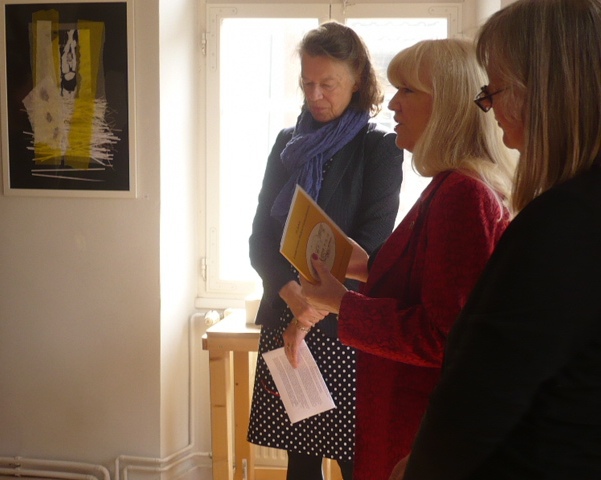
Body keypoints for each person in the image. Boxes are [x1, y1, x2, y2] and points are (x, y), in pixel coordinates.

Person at [395, 1, 601, 479]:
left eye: (495, 89)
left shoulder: (562, 221)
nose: (488, 104)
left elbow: (483, 393)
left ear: (542, 92)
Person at [300, 38, 516, 480]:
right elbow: (435, 288)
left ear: (448, 105)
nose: (393, 103)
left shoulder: (463, 193)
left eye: (407, 90)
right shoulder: (452, 184)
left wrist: (342, 303)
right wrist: (367, 266)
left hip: (416, 429)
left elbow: (443, 337)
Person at [247, 21, 404, 480]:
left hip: (347, 325)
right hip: (288, 312)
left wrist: (309, 312)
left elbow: (371, 244)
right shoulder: (287, 144)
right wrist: (295, 300)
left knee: (359, 464)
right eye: (307, 83)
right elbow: (261, 240)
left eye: (327, 84)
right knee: (299, 466)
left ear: (357, 81)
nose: (315, 95)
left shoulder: (381, 148)